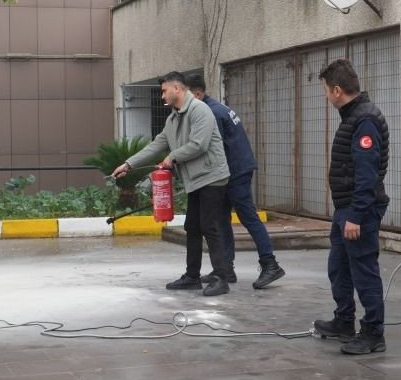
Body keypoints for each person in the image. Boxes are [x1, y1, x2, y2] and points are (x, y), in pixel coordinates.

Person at [112, 71, 232, 296]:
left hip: (213, 177)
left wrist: (172, 157)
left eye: (164, 91)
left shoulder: (200, 110)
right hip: (195, 180)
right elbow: (156, 145)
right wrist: (128, 164)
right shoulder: (173, 118)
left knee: (209, 226)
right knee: (192, 227)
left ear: (177, 88)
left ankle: (221, 278)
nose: (162, 96)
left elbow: (199, 145)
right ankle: (192, 277)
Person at [313, 59, 390, 355]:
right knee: (340, 267)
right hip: (345, 207)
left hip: (360, 210)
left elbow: (367, 173)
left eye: (325, 90)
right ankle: (344, 321)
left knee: (363, 270)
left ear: (336, 90)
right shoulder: (354, 117)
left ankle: (373, 333)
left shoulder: (364, 119)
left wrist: (356, 215)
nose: (325, 96)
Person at [185, 73, 285, 289]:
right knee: (221, 220)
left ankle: (270, 264)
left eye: (187, 96)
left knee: (248, 216)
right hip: (231, 170)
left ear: (198, 94)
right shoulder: (215, 108)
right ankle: (225, 269)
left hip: (235, 171)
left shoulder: (209, 112)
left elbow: (211, 150)